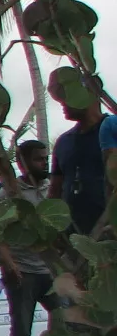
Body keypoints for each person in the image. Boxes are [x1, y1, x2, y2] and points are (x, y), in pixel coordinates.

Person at [0, 139, 57, 336]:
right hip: (24, 273)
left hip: (50, 272)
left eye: (46, 159)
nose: (44, 163)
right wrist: (11, 265)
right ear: (22, 163)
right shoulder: (9, 194)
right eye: (38, 160)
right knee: (22, 332)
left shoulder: (52, 190)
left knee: (65, 323)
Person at [49, 76, 113, 235]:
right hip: (76, 237)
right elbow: (55, 191)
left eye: (68, 96)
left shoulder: (112, 131)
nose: (62, 103)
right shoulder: (64, 142)